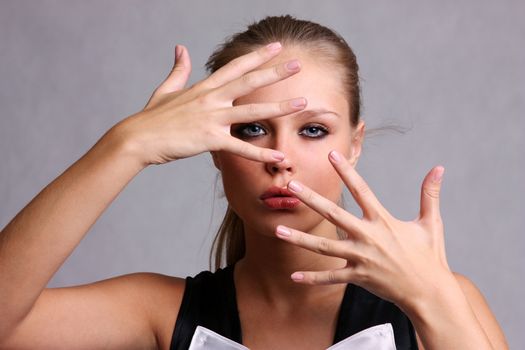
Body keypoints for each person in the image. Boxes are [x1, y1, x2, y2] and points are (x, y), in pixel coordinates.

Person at [0, 15, 508, 350]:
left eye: (312, 130)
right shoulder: (159, 313)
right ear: (215, 148)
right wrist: (127, 144)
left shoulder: (441, 299)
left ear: (355, 144)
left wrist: (432, 300)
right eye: (251, 130)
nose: (279, 157)